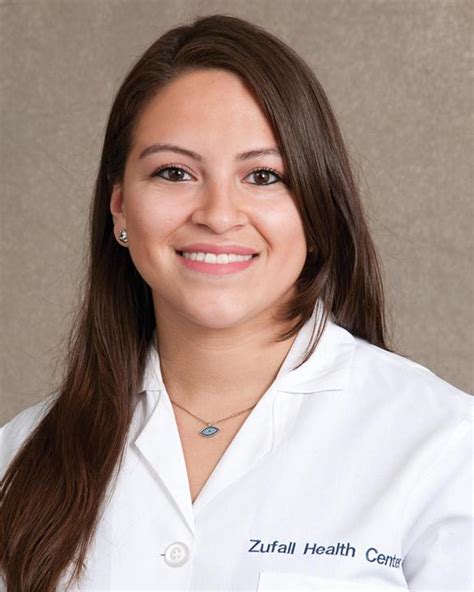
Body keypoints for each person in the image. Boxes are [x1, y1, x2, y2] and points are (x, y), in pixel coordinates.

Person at [0, 13, 472, 592]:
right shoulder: (20, 457)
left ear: (317, 206)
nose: (219, 215)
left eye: (263, 176)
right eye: (175, 172)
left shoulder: (443, 445)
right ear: (120, 206)